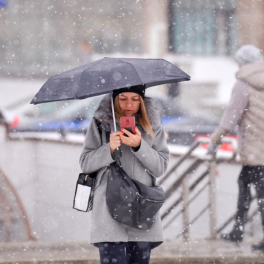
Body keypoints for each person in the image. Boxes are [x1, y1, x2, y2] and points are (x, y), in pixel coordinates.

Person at [79, 85, 169, 263]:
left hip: (141, 209)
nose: (129, 104)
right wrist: (109, 150)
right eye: (123, 99)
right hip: (108, 212)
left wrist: (139, 145)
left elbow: (160, 167)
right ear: (114, 100)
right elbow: (86, 163)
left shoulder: (152, 126)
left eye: (135, 99)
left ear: (142, 101)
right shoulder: (100, 124)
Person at [209, 45, 264, 250]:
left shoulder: (243, 83)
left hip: (254, 150)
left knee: (253, 190)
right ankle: (238, 230)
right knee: (246, 186)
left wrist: (215, 139)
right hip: (260, 151)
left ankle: (238, 230)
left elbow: (231, 117)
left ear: (241, 62)